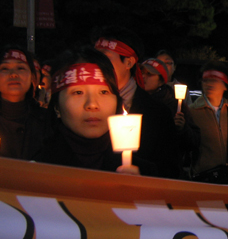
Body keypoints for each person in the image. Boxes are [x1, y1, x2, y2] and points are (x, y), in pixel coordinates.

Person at [35, 47, 157, 176]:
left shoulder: (144, 173)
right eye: (78, 92)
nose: (92, 104)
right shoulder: (35, 169)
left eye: (104, 92)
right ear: (57, 106)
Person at [92, 26, 180, 178]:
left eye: (104, 57)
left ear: (128, 62)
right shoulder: (86, 105)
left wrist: (141, 173)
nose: (96, 64)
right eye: (93, 57)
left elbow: (170, 171)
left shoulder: (158, 114)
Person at [141, 58, 200, 177]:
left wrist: (182, 129)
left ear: (161, 81)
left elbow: (194, 141)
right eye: (141, 72)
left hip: (165, 171)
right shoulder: (135, 100)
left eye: (149, 74)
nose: (143, 77)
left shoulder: (174, 104)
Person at [0, 46, 48, 159]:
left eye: (20, 68)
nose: (13, 74)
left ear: (32, 77)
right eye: (4, 68)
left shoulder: (47, 122)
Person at [190, 61, 228, 184]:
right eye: (206, 80)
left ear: (225, 85)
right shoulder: (192, 112)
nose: (209, 84)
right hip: (202, 178)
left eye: (215, 80)